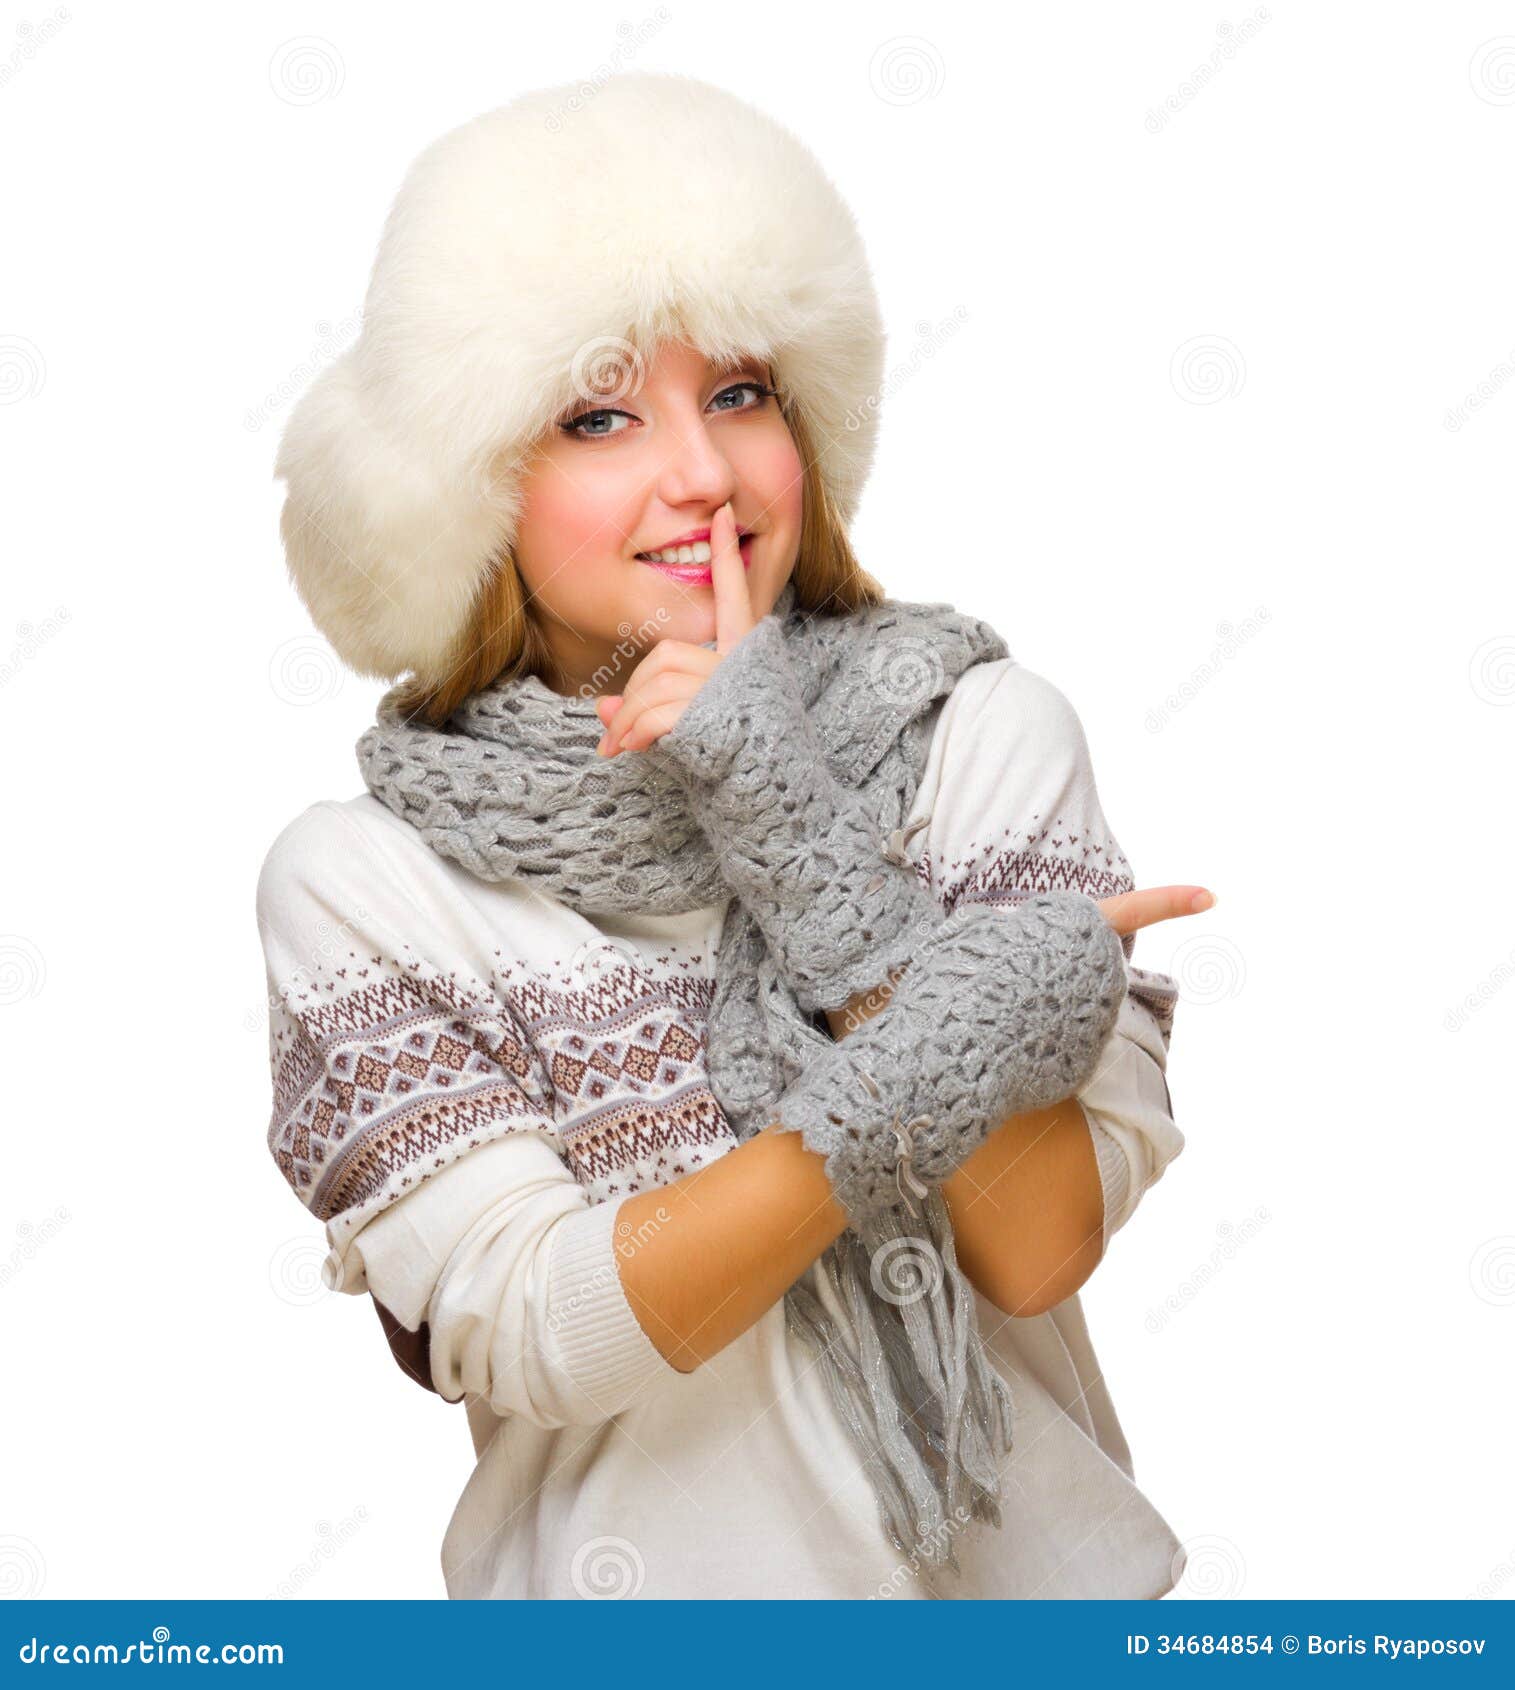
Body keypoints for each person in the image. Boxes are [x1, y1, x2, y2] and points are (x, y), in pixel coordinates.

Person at [256, 71, 1209, 1601]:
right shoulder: (367, 881)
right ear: (470, 488)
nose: (700, 473)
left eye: (743, 391)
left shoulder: (972, 735)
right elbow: (548, 1332)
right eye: (597, 414)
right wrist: (937, 1046)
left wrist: (803, 836)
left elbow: (1033, 1242)